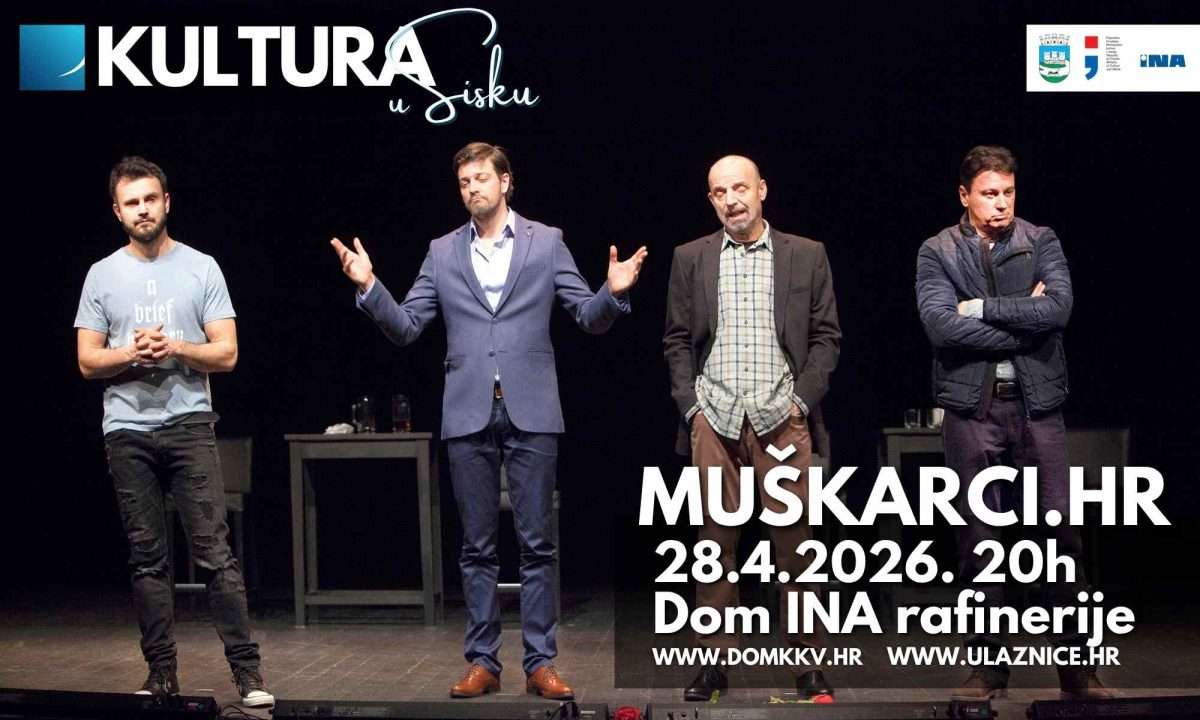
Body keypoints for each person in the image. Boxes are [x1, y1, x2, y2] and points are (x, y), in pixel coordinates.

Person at [331, 142, 647, 700]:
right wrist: (368, 287)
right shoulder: (442, 251)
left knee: (537, 544)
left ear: (505, 182)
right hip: (468, 408)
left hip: (532, 405)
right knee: (476, 547)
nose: (472, 188)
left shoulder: (546, 242)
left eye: (481, 178)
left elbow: (586, 315)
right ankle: (483, 662)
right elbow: (406, 326)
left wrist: (612, 293)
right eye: (463, 182)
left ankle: (541, 663)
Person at [74, 156, 273, 708]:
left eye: (150, 199)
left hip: (189, 425)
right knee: (147, 559)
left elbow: (227, 353)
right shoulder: (101, 275)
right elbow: (87, 361)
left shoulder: (201, 268)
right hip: (127, 430)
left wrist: (176, 347)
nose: (142, 209)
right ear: (118, 212)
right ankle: (161, 674)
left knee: (214, 553)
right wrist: (130, 353)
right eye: (131, 202)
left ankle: (249, 674)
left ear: (167, 202)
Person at [915, 145, 1111, 700]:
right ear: (964, 195)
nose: (1001, 204)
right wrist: (1025, 318)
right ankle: (987, 668)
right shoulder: (937, 250)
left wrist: (978, 308)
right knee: (979, 541)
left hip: (1037, 407)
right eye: (989, 194)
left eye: (1008, 192)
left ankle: (1077, 669)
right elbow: (940, 326)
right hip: (971, 411)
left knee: (1060, 537)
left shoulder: (1040, 240)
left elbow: (1058, 311)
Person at [663, 155, 841, 701]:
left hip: (782, 420)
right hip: (715, 418)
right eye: (719, 192)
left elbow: (826, 337)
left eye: (740, 188)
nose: (731, 200)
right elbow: (676, 339)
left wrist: (799, 402)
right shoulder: (691, 257)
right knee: (714, 547)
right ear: (710, 199)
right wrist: (692, 407)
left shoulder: (805, 254)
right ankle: (714, 663)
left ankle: (807, 665)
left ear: (762, 189)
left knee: (796, 549)